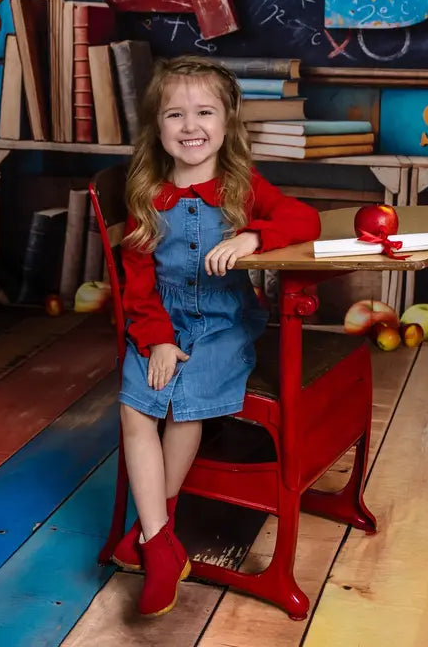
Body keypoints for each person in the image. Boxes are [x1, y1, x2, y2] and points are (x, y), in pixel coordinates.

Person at [111, 55, 321, 617]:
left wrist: (254, 238)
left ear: (228, 123)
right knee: (136, 410)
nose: (190, 126)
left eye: (204, 112)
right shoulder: (146, 197)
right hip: (160, 323)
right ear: (157, 126)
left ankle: (153, 530)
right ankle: (161, 547)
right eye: (175, 114)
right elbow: (136, 285)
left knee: (184, 406)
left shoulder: (241, 186)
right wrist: (155, 339)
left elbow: (305, 220)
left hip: (224, 326)